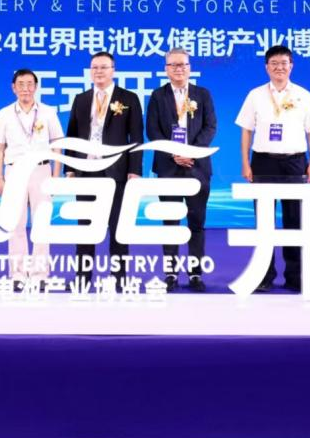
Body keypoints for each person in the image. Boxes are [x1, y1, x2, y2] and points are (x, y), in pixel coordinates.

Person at [235, 45, 310, 293]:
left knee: (294, 219)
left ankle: (295, 276)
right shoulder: (255, 95)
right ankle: (264, 275)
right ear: (266, 67)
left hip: (295, 162)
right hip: (263, 161)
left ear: (291, 66)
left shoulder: (303, 95)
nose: (279, 68)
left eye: (284, 63)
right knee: (264, 221)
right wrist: (245, 162)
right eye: (274, 63)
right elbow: (246, 131)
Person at [65, 51, 144, 286]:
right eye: (95, 67)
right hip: (86, 170)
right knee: (85, 227)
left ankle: (119, 277)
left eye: (103, 67)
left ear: (113, 71)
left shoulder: (128, 98)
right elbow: (72, 134)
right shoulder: (81, 99)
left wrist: (135, 170)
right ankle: (82, 277)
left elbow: (136, 137)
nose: (99, 71)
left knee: (117, 226)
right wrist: (70, 167)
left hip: (116, 172)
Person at [145, 47, 217, 292]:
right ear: (166, 69)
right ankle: (171, 273)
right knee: (170, 222)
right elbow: (152, 130)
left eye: (183, 64)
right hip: (168, 167)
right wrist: (174, 153)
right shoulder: (158, 95)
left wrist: (191, 152)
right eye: (173, 65)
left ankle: (195, 274)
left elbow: (210, 127)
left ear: (190, 67)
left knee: (196, 222)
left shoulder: (202, 94)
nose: (179, 69)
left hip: (197, 167)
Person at [0, 68, 64, 289]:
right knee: (16, 224)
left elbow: (58, 144)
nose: (25, 88)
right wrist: (0, 179)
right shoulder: (4, 114)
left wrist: (56, 175)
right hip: (14, 171)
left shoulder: (48, 112)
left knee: (41, 224)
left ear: (36, 87)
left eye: (30, 84)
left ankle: (40, 274)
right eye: (21, 84)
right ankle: (18, 274)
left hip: (41, 171)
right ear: (13, 88)